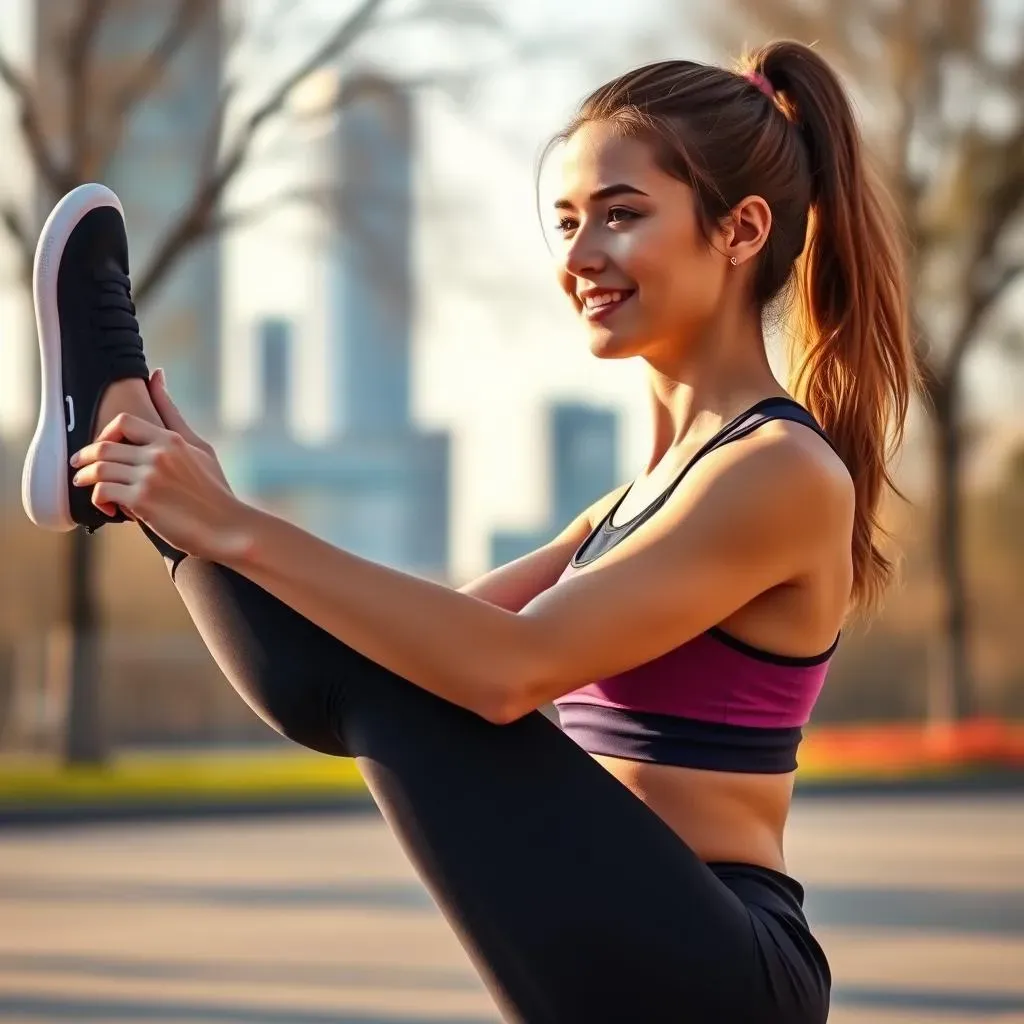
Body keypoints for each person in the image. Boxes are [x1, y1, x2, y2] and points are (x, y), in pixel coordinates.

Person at [22, 39, 914, 1024]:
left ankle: (115, 419)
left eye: (621, 215)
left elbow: (507, 668)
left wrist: (228, 524)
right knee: (378, 672)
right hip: (646, 954)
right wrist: (210, 508)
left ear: (740, 229)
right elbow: (400, 654)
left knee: (419, 677)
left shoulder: (777, 472)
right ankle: (122, 447)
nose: (578, 256)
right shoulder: (642, 495)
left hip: (720, 966)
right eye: (567, 221)